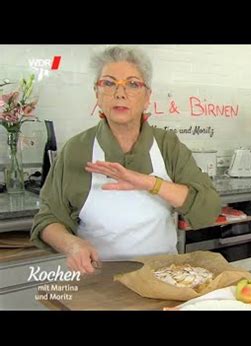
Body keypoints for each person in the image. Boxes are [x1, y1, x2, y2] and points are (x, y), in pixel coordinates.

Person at [31, 46, 221, 273]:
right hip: (98, 280)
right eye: (109, 83)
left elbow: (208, 209)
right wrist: (72, 245)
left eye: (132, 84)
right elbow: (47, 218)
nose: (120, 93)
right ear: (97, 94)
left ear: (147, 96)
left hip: (163, 277)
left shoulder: (167, 146)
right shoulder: (76, 150)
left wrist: (150, 183)